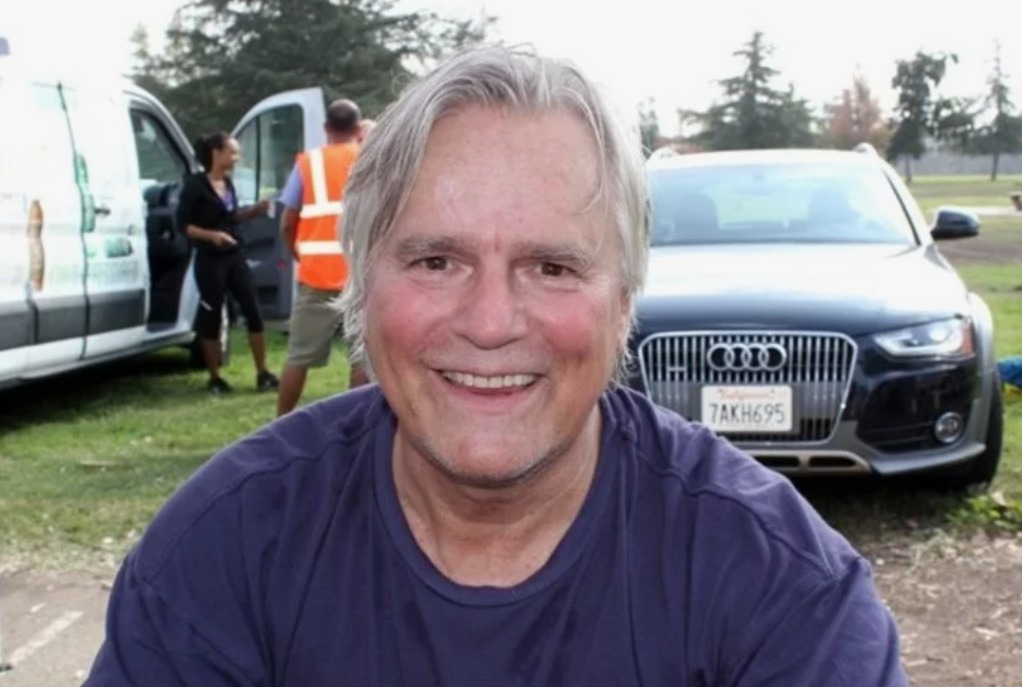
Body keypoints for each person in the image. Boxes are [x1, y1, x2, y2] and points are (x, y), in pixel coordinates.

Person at [84, 46, 908, 685]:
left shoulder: (782, 590)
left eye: (551, 266)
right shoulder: (222, 552)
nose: (488, 323)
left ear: (624, 301)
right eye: (436, 260)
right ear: (361, 286)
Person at [275, 99, 364, 416]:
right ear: (358, 128)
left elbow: (287, 222)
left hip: (316, 274)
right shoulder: (369, 159)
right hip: (360, 274)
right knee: (362, 357)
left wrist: (299, 253)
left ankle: (280, 423)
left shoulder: (308, 163)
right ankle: (358, 426)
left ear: (326, 128)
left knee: (298, 356)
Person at [177, 132, 280, 394]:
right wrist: (211, 236)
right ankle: (215, 377)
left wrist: (253, 212)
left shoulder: (228, 183)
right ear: (217, 153)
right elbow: (183, 225)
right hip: (209, 260)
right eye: (232, 152)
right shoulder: (194, 185)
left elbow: (229, 218)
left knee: (253, 310)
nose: (237, 158)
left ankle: (263, 372)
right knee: (212, 314)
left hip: (234, 255)